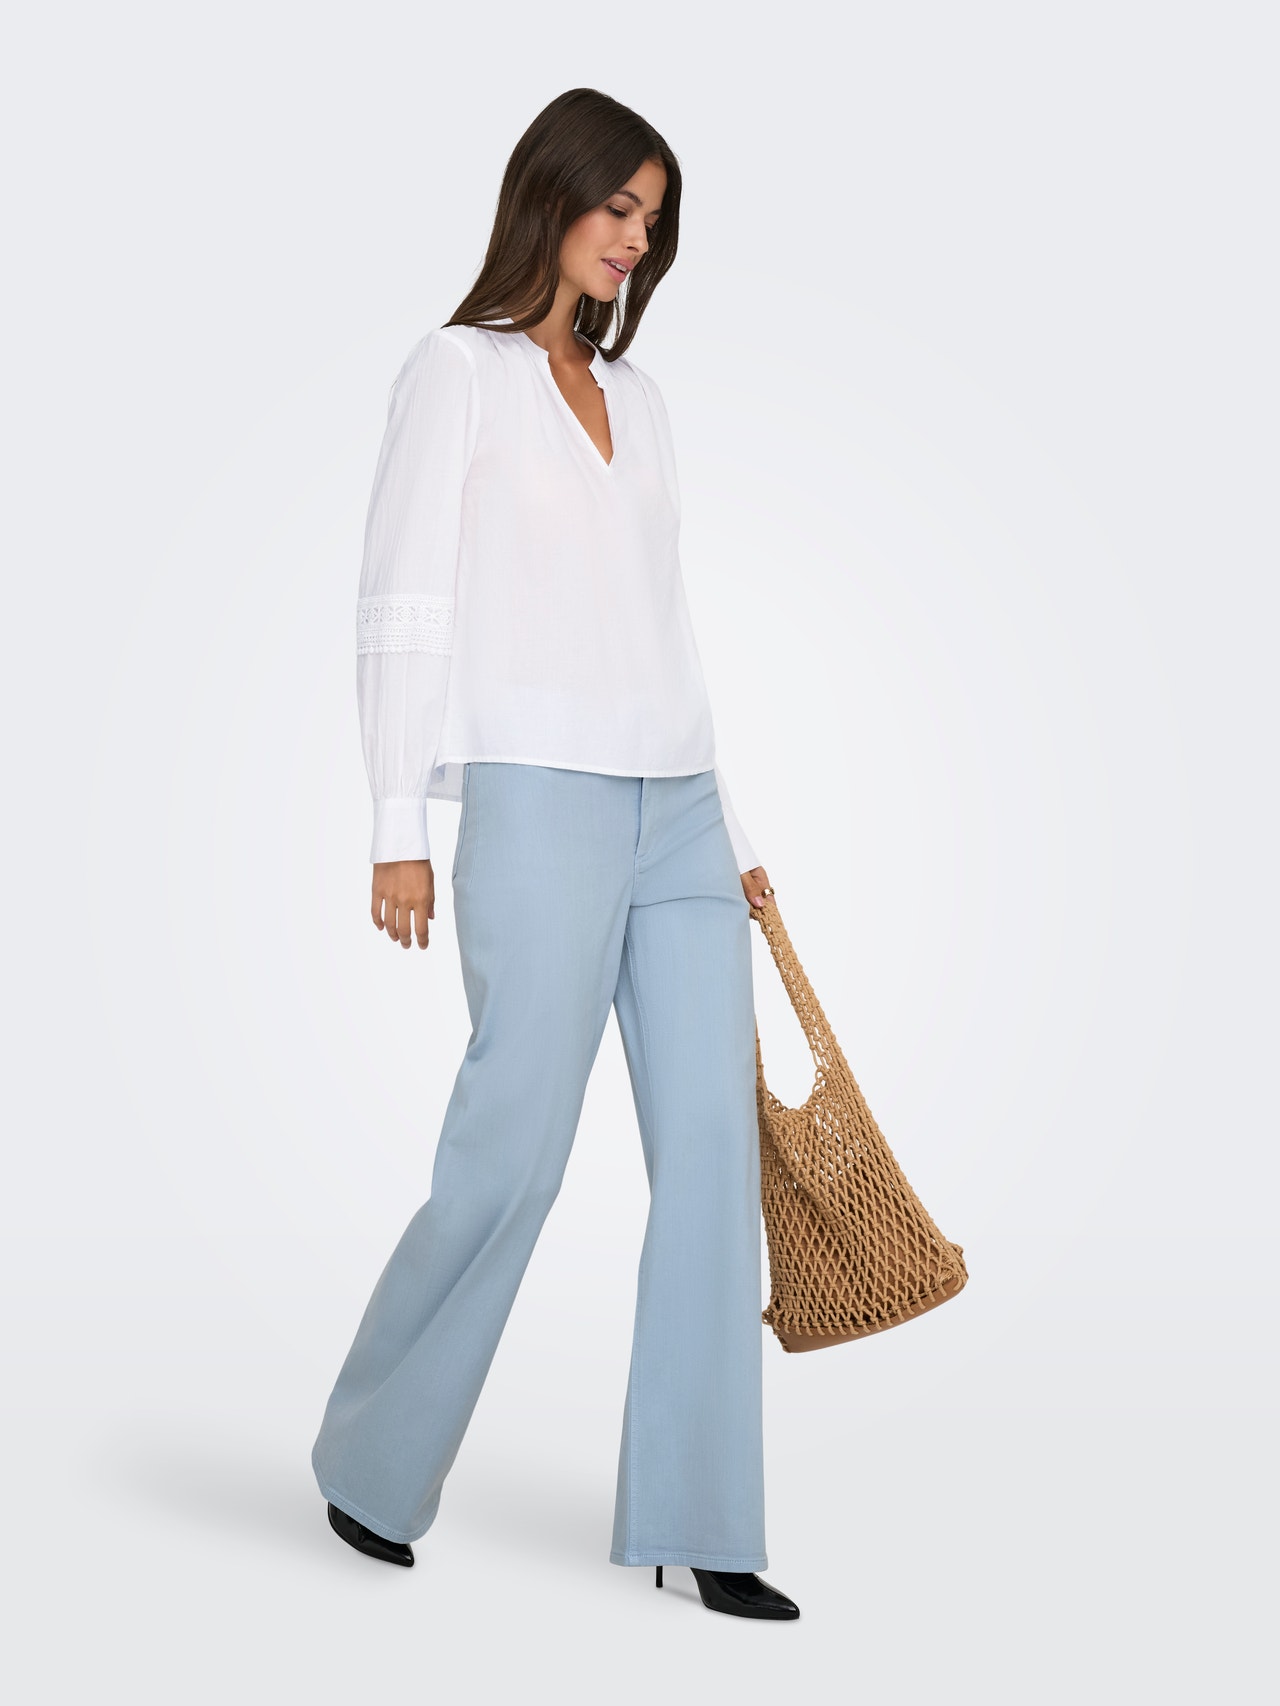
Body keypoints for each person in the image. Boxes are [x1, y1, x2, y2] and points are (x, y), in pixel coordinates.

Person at [310, 86, 800, 1623]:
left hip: (681, 806)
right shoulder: (454, 373)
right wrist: (398, 821)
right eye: (617, 206)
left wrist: (734, 833)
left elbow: (661, 621)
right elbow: (402, 601)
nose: (634, 239)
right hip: (535, 797)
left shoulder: (641, 402)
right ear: (553, 196)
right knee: (512, 1147)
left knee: (714, 1153)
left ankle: (703, 1517)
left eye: (653, 219)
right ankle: (371, 1457)